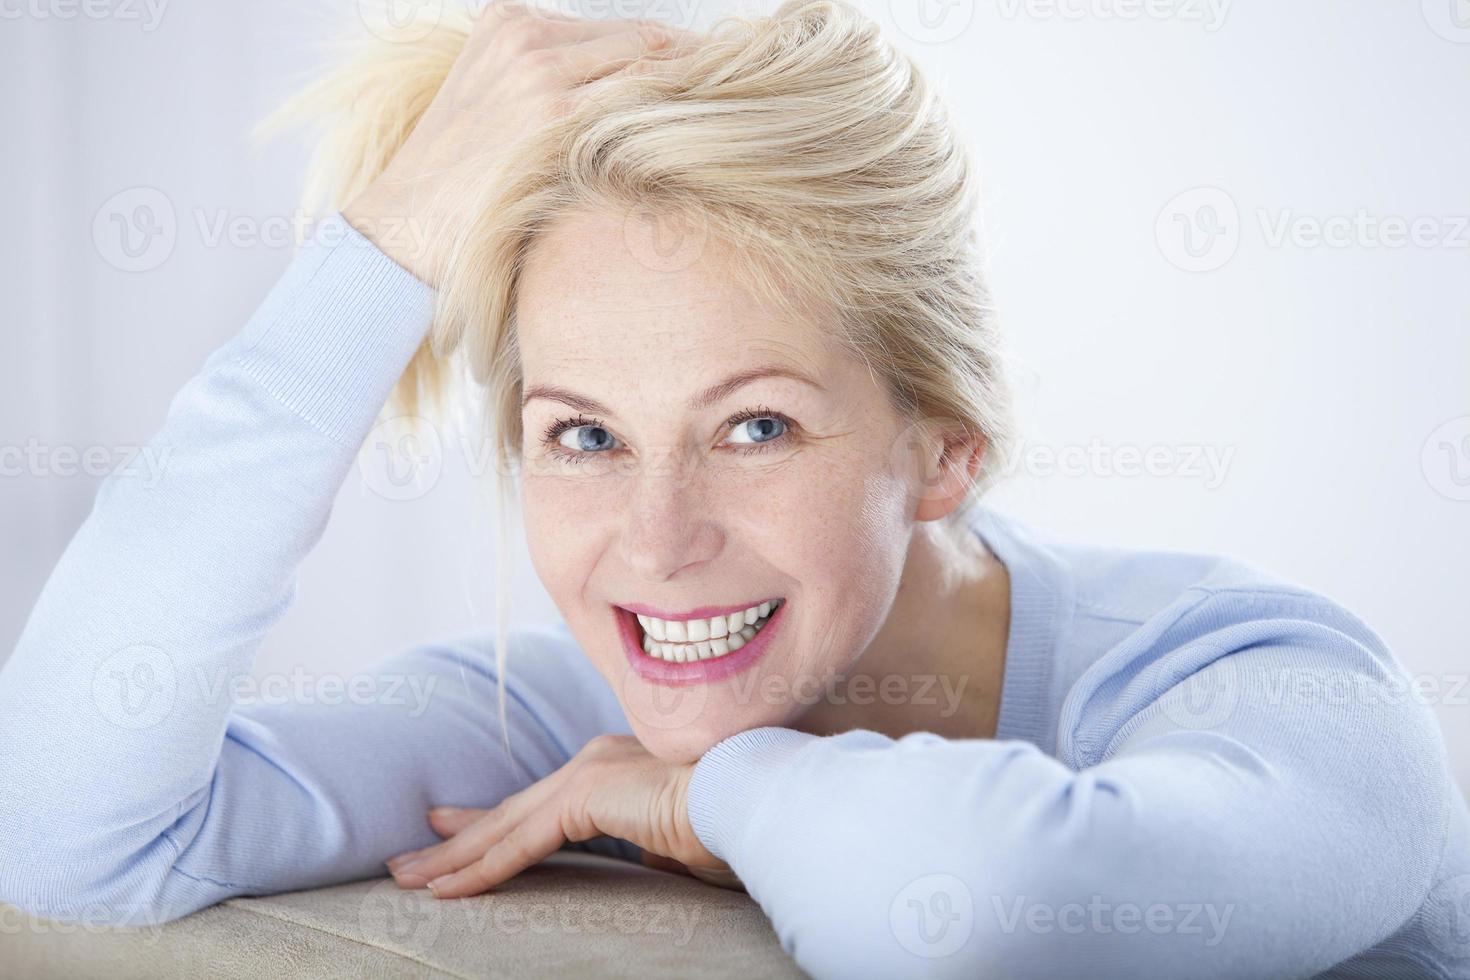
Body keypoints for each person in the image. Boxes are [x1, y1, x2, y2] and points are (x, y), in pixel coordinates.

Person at [2, 2, 1465, 977]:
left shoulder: (1268, 681)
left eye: (754, 428)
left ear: (944, 444)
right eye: (583, 435)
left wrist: (715, 798)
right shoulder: (555, 727)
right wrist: (379, 253)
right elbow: (70, 829)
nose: (656, 543)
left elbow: (974, 912)